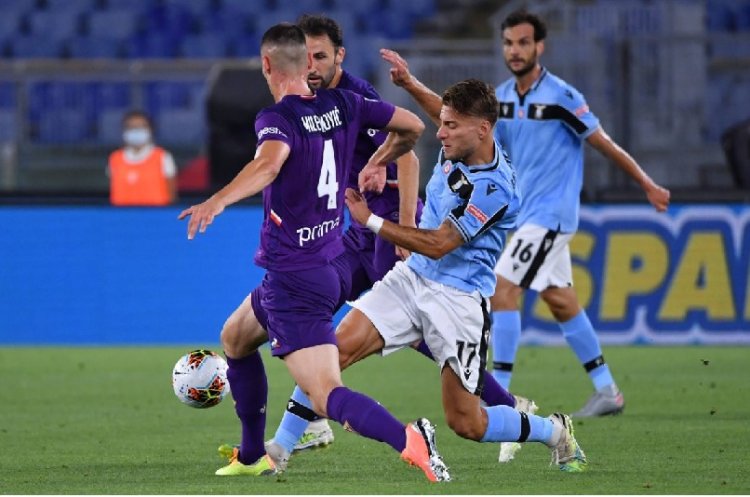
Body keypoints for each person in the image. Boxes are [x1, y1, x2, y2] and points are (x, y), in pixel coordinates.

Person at [245, 14, 532, 459]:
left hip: (392, 236)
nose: (311, 67)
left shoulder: (355, 98)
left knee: (351, 333)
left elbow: (412, 157)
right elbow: (447, 120)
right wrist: (412, 85)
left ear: (339, 55)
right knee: (330, 344)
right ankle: (297, 433)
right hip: (356, 234)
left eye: (320, 56)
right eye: (305, 57)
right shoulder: (311, 103)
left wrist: (397, 223)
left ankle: (511, 408)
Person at [179, 23, 451, 482]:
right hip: (321, 266)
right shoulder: (344, 104)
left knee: (326, 394)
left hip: (294, 279)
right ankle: (252, 456)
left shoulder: (276, 119)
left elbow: (267, 165)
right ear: (308, 64)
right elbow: (413, 127)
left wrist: (218, 200)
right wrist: (377, 160)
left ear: (266, 65)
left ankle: (409, 438)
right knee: (235, 338)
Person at [380, 9, 671, 427]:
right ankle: (608, 389)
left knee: (502, 289)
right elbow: (450, 119)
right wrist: (409, 84)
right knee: (560, 300)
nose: (514, 51)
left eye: (522, 43)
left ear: (540, 47)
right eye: (508, 43)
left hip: (549, 215)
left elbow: (603, 142)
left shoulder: (562, 97)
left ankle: (500, 393)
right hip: (518, 215)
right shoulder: (501, 99)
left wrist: (646, 183)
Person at [338, 78, 587, 473]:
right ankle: (283, 446)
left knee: (466, 422)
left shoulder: (495, 189)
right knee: (331, 355)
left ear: (482, 129)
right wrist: (408, 82)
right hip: (412, 279)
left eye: (451, 125)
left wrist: (370, 220)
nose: (440, 132)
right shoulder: (466, 138)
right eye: (443, 123)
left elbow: (439, 243)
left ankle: (553, 430)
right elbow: (442, 111)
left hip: (457, 300)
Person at [107, 110, 177, 206]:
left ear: (150, 130)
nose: (136, 131)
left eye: (141, 127)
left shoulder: (163, 157)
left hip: (156, 216)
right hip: (121, 217)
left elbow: (172, 195)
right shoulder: (114, 158)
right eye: (131, 127)